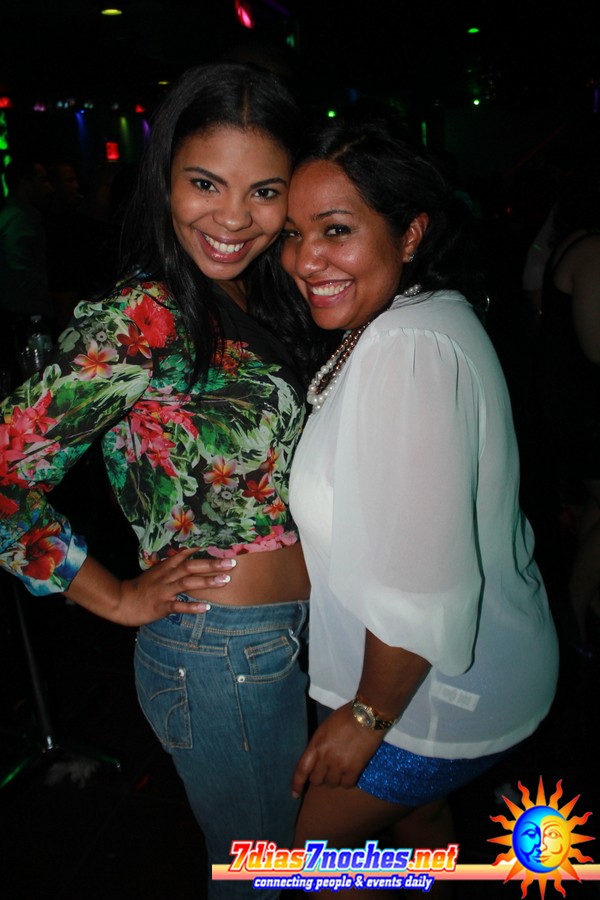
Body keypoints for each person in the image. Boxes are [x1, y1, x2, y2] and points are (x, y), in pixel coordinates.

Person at [0, 62, 327, 899]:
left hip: (278, 638)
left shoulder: (265, 294)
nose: (233, 217)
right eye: (205, 183)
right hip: (218, 651)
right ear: (165, 178)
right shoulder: (144, 316)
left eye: (264, 192)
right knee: (264, 879)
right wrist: (112, 596)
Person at [279, 118, 559, 897]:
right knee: (421, 828)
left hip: (429, 698)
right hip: (455, 675)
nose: (304, 259)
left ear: (409, 234)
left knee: (299, 867)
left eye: (336, 230)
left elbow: (421, 575)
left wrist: (368, 716)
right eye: (295, 233)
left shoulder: (409, 348)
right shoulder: (421, 315)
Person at [537, 172, 600, 656]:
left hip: (570, 402)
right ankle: (573, 618)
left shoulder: (574, 243)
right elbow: (596, 347)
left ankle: (584, 609)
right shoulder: (592, 249)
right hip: (585, 408)